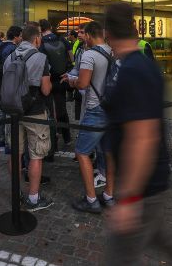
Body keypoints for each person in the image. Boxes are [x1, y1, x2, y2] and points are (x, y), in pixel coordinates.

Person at [101, 3, 172, 265]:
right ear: (135, 28)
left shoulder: (133, 71)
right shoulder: (139, 65)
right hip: (151, 182)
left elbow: (142, 137)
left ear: (108, 33)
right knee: (159, 236)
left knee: (119, 259)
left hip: (144, 187)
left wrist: (128, 197)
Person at [64, 21, 115, 214]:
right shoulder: (113, 51)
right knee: (109, 152)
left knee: (82, 152)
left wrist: (72, 81)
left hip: (96, 109)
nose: (82, 37)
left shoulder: (89, 55)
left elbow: (83, 84)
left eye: (84, 34)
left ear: (90, 35)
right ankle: (109, 195)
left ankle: (91, 199)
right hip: (112, 108)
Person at [3, 24, 54, 211]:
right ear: (37, 39)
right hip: (35, 111)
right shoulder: (41, 58)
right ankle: (33, 198)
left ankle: (16, 193)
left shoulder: (9, 56)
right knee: (36, 155)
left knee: (15, 153)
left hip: (13, 111)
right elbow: (46, 90)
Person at [38, 19, 72, 148]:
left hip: (48, 79)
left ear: (40, 29)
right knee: (61, 107)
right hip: (62, 78)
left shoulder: (41, 42)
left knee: (50, 110)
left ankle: (53, 141)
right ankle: (67, 137)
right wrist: (68, 70)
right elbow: (71, 56)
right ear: (51, 27)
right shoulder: (61, 39)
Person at [0, 25, 23, 148]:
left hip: (0, 81)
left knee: (2, 109)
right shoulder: (12, 49)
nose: (21, 38)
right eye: (20, 36)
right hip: (8, 81)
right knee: (8, 111)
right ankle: (7, 140)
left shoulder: (0, 46)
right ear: (15, 37)